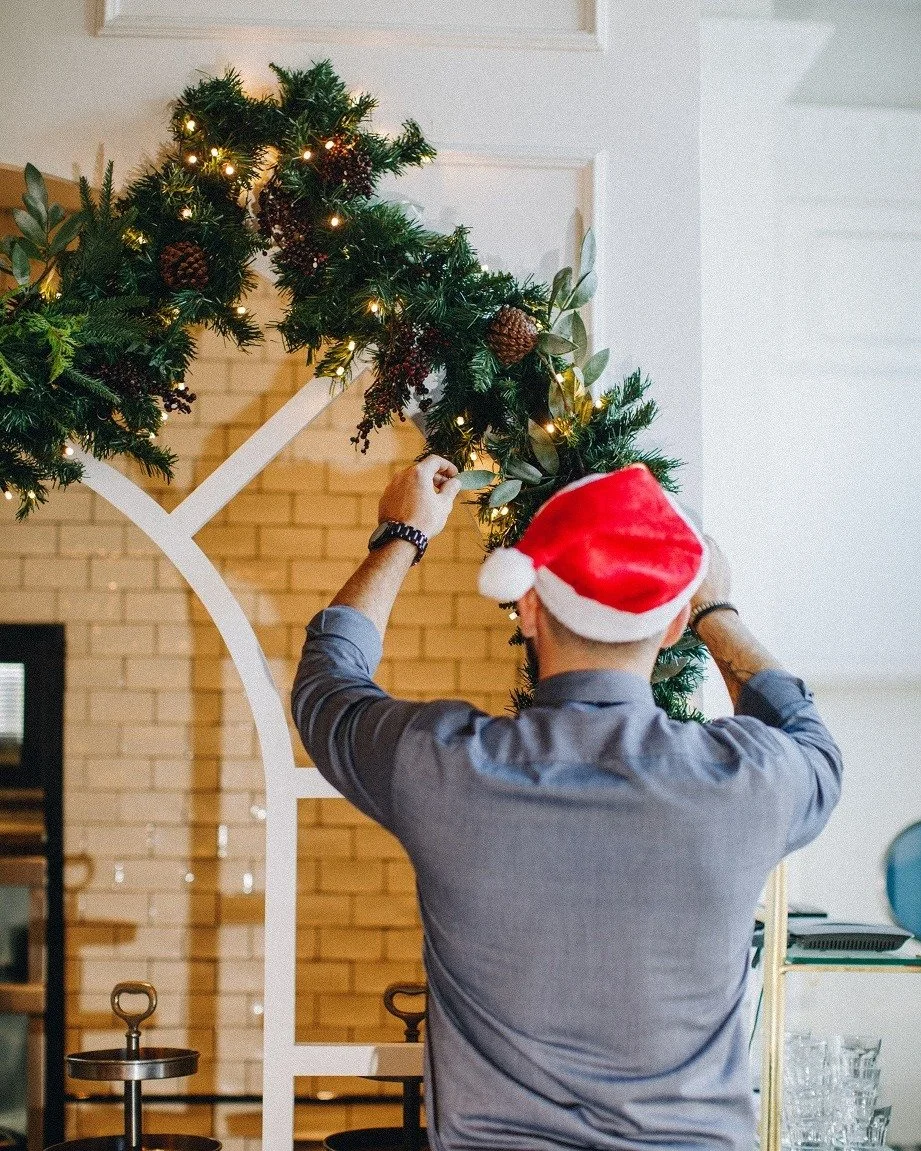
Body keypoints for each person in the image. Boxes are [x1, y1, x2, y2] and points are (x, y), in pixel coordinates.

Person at [291, 456, 842, 1151]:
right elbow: (808, 734)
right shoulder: (750, 779)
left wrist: (402, 531)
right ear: (671, 624)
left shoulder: (444, 763)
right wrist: (716, 609)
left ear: (526, 606)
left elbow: (326, 683)